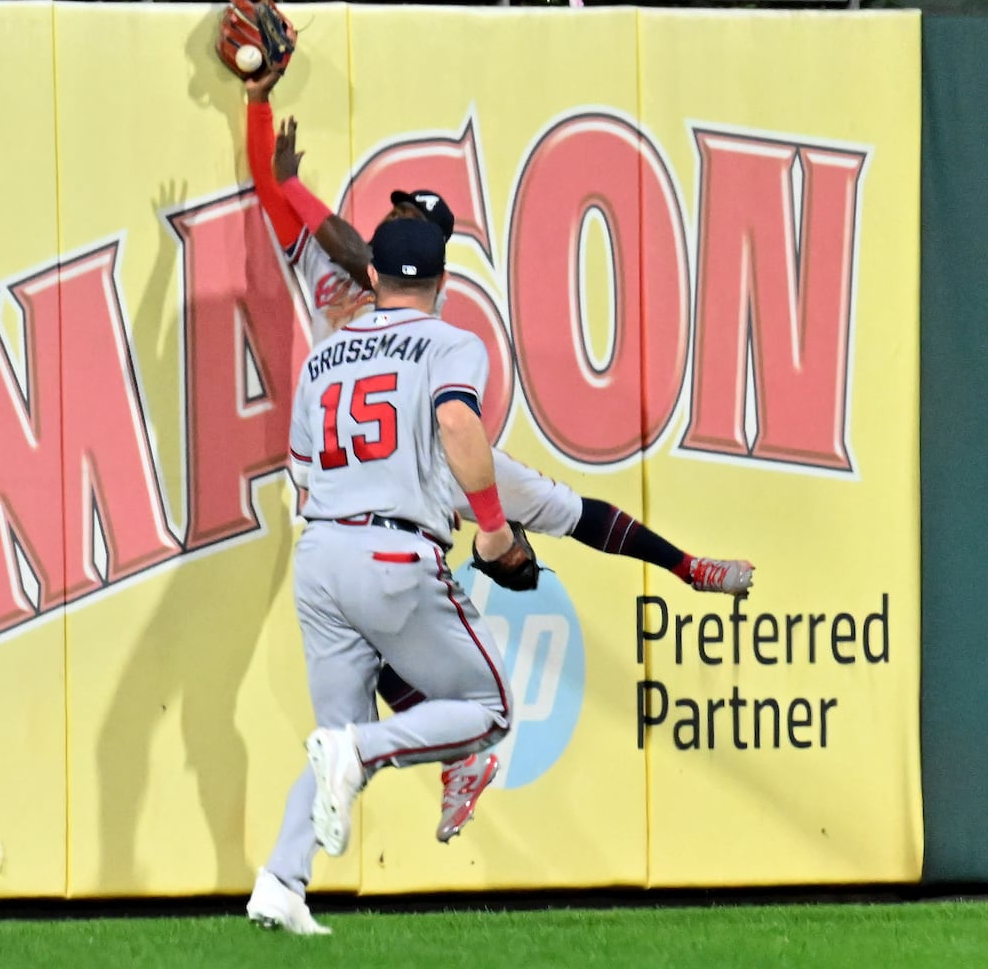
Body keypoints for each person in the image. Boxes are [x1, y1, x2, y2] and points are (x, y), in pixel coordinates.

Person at [241, 70, 755, 844]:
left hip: (418, 453)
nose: (399, 221)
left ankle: (686, 567)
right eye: (402, 215)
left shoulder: (394, 289)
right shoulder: (337, 265)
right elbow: (292, 208)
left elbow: (343, 243)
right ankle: (447, 756)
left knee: (557, 511)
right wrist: (258, 113)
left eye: (414, 221)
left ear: (420, 263)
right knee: (379, 613)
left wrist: (291, 179)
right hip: (345, 477)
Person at [247, 217, 518, 935]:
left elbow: (301, 473)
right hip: (392, 551)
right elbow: (457, 426)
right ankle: (360, 750)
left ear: (370, 278)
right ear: (442, 282)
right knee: (489, 705)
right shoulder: (450, 341)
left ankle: (280, 881)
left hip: (321, 553)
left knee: (331, 730)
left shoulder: (323, 358)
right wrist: (489, 524)